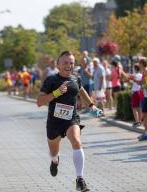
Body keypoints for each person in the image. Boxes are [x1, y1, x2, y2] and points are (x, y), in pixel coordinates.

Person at [37, 51, 100, 192]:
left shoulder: (75, 78)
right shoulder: (51, 80)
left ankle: (80, 179)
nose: (69, 65)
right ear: (58, 64)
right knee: (54, 151)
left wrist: (91, 105)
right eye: (65, 62)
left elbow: (81, 90)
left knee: (76, 141)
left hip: (71, 119)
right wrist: (56, 93)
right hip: (54, 122)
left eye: (71, 63)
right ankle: (54, 161)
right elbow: (39, 102)